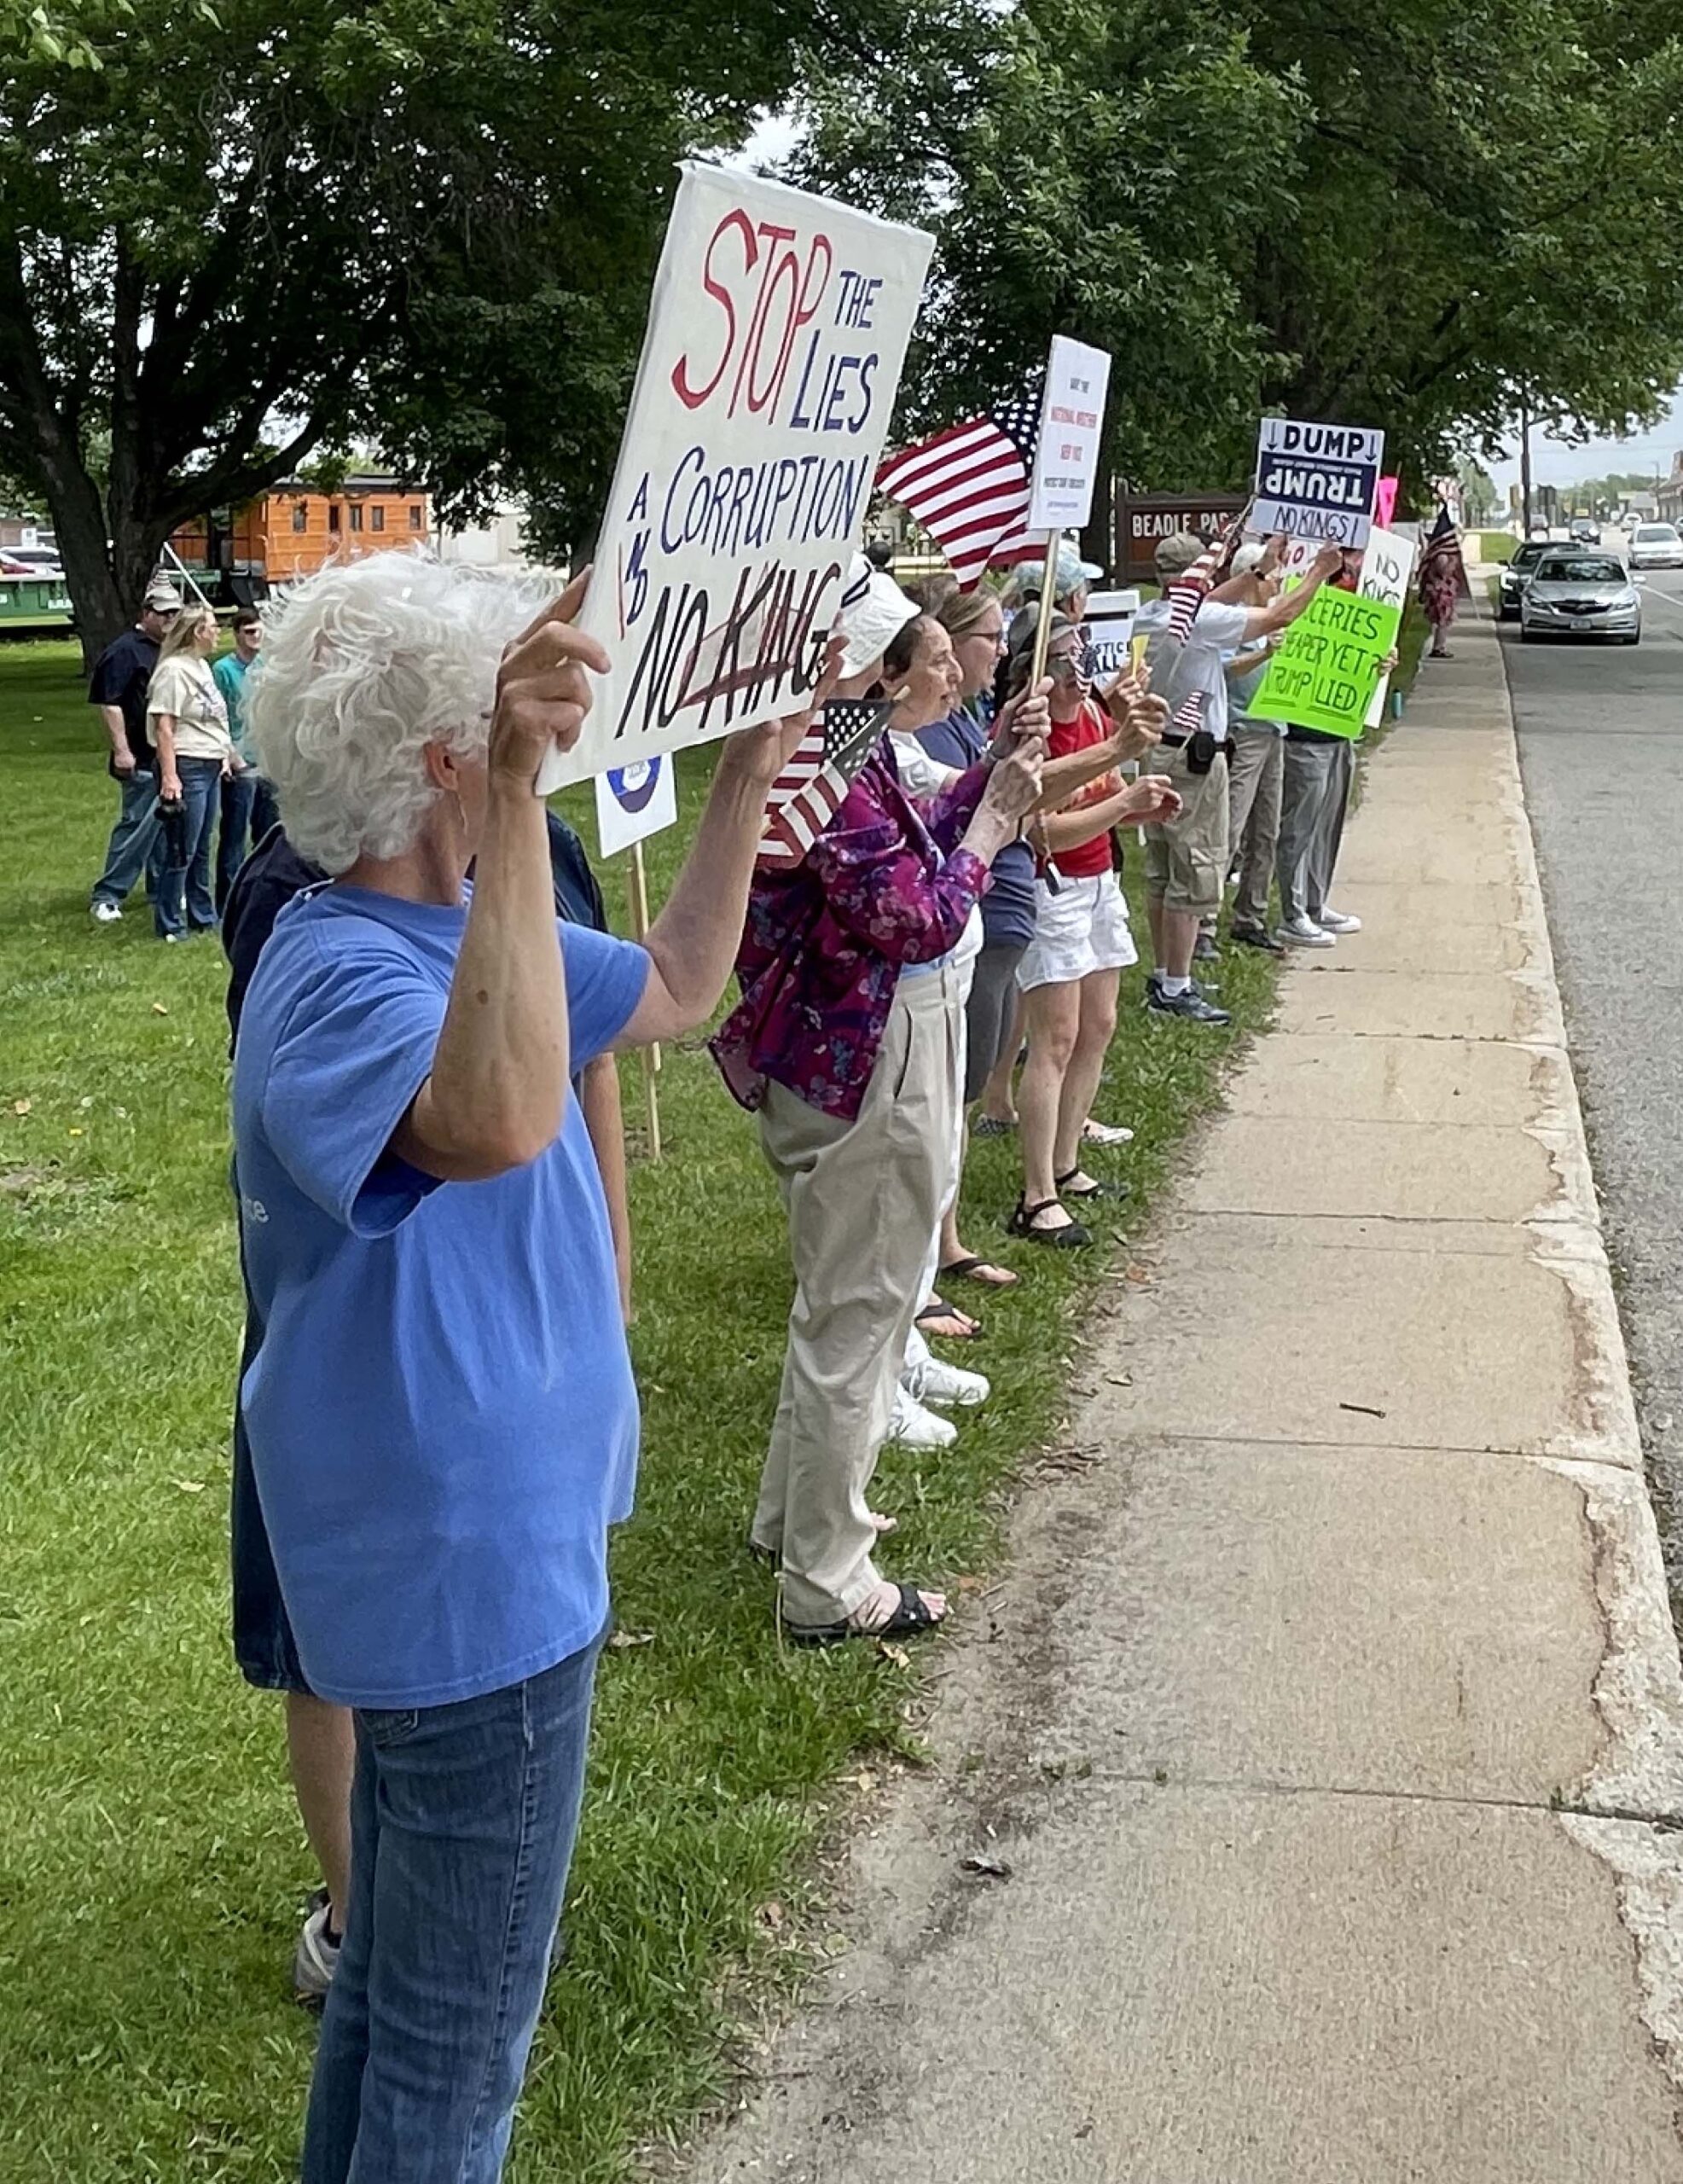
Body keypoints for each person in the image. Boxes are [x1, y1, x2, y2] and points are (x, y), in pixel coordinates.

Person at [235, 551, 817, 2179]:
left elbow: (680, 989)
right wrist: (510, 791)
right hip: (462, 1577)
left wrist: (744, 775)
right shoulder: (336, 967)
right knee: (455, 2062)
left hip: (485, 1555)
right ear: (447, 760)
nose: (555, 745)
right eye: (513, 730)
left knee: (394, 2012)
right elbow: (490, 1119)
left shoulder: (460, 936)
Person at [222, 803, 632, 2005]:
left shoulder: (526, 846)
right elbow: (474, 1115)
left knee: (429, 2009)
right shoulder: (312, 909)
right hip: (412, 1469)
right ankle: (361, 1915)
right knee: (443, 2019)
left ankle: (398, 1941)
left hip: (501, 1457)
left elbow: (608, 1028)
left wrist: (608, 1253)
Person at [713, 611, 1048, 1644]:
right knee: (859, 1312)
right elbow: (917, 916)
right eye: (896, 648)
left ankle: (794, 1521)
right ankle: (826, 1578)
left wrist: (988, 775)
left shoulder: (835, 751)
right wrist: (992, 830)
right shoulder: (817, 765)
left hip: (847, 1049)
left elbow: (917, 834)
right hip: (863, 1056)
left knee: (840, 1304)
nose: (917, 666)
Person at [1007, 617, 1181, 1246]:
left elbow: (1108, 797)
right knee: (1054, 1038)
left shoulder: (1093, 718)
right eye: (1062, 659)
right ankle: (1036, 1195)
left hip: (1099, 881)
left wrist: (1141, 800)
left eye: (1081, 654)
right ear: (1033, 668)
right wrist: (1123, 804)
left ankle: (1066, 1161)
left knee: (1098, 1024)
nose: (1077, 670)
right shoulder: (1030, 733)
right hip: (1051, 887)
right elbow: (1042, 832)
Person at [1136, 531, 1342, 1022]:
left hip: (1158, 748)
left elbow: (1206, 599)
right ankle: (1177, 986)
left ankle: (1165, 974)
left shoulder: (1153, 615)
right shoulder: (1201, 623)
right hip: (1194, 757)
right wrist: (1319, 572)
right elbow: (1277, 617)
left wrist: (1258, 572)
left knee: (1163, 871)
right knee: (1195, 869)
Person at [1206, 543, 1287, 955]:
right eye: (1272, 577)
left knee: (1266, 831)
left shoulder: (1278, 620)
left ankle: (1251, 915)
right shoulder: (1232, 623)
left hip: (1275, 730)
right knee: (1231, 827)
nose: (1277, 584)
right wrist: (1263, 656)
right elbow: (1222, 669)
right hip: (1244, 730)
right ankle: (1204, 922)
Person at [88, 579, 180, 923]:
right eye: (164, 612)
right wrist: (121, 750)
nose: (170, 619)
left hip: (165, 756)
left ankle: (161, 890)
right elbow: (110, 702)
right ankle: (108, 894)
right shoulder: (126, 650)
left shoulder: (169, 650)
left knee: (163, 827)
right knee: (136, 826)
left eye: (175, 613)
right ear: (147, 613)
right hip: (138, 754)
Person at [148, 604, 235, 941]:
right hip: (187, 764)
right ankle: (170, 922)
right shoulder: (173, 671)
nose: (218, 633)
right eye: (213, 627)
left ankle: (203, 915)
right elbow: (164, 728)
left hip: (209, 762)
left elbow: (212, 719)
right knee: (181, 847)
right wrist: (170, 776)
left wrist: (223, 753)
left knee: (201, 846)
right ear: (198, 632)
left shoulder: (201, 667)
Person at [212, 607, 274, 909]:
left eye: (259, 631)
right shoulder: (223, 670)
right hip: (240, 758)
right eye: (249, 632)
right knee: (234, 834)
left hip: (267, 759)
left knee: (268, 832)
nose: (256, 637)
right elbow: (218, 715)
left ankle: (262, 894)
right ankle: (228, 899)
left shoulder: (267, 667)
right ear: (236, 634)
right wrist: (230, 754)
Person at [1420, 525, 1463, 658]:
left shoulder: (1441, 553)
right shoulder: (1441, 556)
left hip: (1444, 593)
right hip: (1440, 594)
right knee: (1442, 622)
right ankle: (1438, 648)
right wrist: (1453, 563)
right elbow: (1443, 573)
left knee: (1445, 621)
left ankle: (1440, 646)